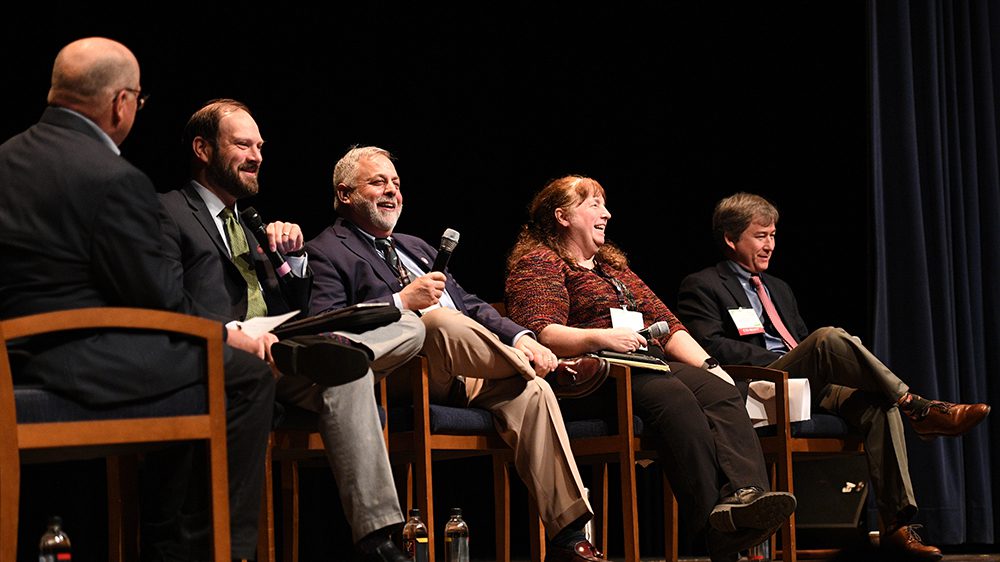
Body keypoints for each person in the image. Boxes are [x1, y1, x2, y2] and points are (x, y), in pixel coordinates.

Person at [0, 38, 275, 561]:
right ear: (120, 102)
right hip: (76, 359)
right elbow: (160, 302)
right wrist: (228, 333)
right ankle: (214, 551)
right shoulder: (113, 177)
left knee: (196, 359)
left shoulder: (6, 157)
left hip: (11, 357)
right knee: (241, 374)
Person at [305, 146, 609, 562]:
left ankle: (568, 535)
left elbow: (473, 305)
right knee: (437, 323)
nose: (392, 191)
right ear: (344, 195)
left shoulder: (416, 246)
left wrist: (522, 337)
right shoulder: (326, 249)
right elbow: (326, 326)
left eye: (396, 182)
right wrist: (400, 300)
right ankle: (545, 369)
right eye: (378, 182)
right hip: (405, 373)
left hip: (473, 368)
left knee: (532, 393)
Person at [158, 100, 427, 562]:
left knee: (403, 327)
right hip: (230, 357)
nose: (257, 155)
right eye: (243, 144)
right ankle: (378, 539)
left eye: (260, 146)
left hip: (292, 349)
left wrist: (295, 259)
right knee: (347, 369)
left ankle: (334, 351)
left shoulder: (255, 224)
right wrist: (229, 334)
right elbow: (165, 300)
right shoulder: (167, 211)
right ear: (203, 149)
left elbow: (303, 306)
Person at [676, 192, 992, 561]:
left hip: (807, 383)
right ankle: (919, 407)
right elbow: (710, 346)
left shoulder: (779, 288)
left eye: (773, 235)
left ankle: (896, 525)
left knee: (879, 405)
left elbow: (803, 343)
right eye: (760, 236)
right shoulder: (703, 285)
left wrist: (804, 357)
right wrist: (793, 357)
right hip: (758, 383)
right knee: (827, 338)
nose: (770, 245)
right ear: (730, 239)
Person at [504, 175, 797, 562]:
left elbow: (669, 324)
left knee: (718, 389)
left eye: (604, 204)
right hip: (591, 377)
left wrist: (711, 365)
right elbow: (541, 331)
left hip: (643, 366)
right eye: (593, 204)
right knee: (673, 395)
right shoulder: (539, 262)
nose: (606, 213)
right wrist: (601, 338)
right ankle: (713, 526)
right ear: (562, 216)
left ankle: (747, 497)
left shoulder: (615, 269)